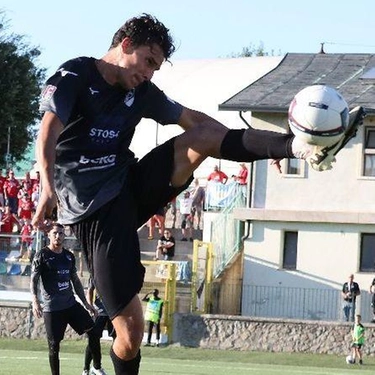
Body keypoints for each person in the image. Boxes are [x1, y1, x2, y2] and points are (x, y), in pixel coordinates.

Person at [31, 13, 364, 375]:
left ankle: (302, 147)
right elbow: (48, 131)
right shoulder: (75, 76)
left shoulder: (141, 92)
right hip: (93, 212)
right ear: (125, 45)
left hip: (129, 184)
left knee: (203, 138)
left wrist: (268, 148)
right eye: (148, 61)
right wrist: (47, 187)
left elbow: (200, 124)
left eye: (156, 67)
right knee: (130, 333)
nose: (150, 73)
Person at [30, 222, 107, 375]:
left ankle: (96, 368)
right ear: (49, 235)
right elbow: (34, 279)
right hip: (52, 309)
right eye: (55, 233)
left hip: (71, 305)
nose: (58, 236)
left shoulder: (68, 256)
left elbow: (75, 281)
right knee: (54, 345)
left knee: (93, 331)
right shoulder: (42, 255)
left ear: (64, 236)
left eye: (61, 233)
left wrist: (86, 304)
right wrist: (35, 300)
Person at [82, 277, 116, 375]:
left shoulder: (117, 271)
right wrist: (90, 306)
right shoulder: (96, 273)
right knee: (94, 339)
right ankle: (87, 369)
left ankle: (119, 368)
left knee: (117, 339)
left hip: (113, 313)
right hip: (100, 313)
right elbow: (90, 290)